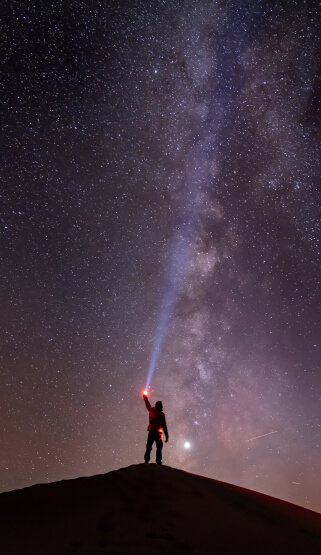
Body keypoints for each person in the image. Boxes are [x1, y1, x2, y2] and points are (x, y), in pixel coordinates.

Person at [143, 392, 168, 465]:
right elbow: (164, 425)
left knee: (149, 447)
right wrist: (166, 435)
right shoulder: (161, 414)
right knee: (159, 448)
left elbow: (147, 404)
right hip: (159, 433)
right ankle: (158, 462)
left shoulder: (151, 411)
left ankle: (146, 461)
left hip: (152, 432)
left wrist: (145, 397)